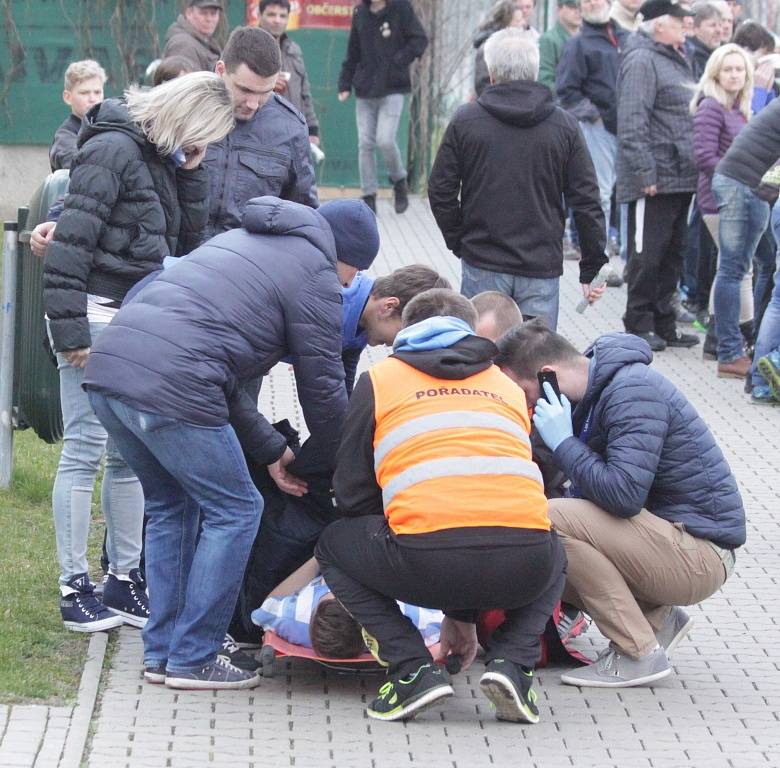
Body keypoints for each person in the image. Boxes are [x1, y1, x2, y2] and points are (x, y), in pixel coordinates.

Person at [82, 196, 379, 690]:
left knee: (173, 506)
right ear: (345, 256)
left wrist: (272, 452)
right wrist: (343, 463)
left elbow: (228, 384)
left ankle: (163, 653)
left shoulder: (241, 242)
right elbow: (323, 393)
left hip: (111, 370)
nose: (350, 284)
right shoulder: (316, 276)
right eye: (354, 272)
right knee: (236, 509)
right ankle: (196, 655)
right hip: (173, 384)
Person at [315, 288, 566, 722]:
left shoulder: (380, 380)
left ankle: (411, 670)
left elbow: (352, 494)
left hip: (422, 561)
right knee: (555, 547)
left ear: (408, 331)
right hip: (524, 563)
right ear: (469, 332)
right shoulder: (504, 384)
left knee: (334, 544)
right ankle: (513, 662)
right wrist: (461, 615)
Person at [42, 72, 234, 633]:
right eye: (201, 137)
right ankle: (73, 584)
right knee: (84, 448)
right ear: (184, 117)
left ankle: (123, 578)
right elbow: (71, 246)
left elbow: (183, 244)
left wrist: (192, 172)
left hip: (134, 324)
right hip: (96, 322)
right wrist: (71, 334)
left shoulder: (163, 160)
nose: (202, 148)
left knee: (128, 457)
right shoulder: (111, 150)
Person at [495, 321, 745, 687]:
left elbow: (623, 496)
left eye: (522, 389)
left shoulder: (632, 391)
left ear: (547, 375)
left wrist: (564, 443)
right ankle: (655, 618)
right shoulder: (591, 397)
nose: (523, 401)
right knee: (529, 534)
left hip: (701, 555)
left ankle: (637, 652)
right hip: (667, 542)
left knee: (547, 520)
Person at [428, 28, 607, 331]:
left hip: (483, 260)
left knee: (479, 355)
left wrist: (461, 241)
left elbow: (440, 190)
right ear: (535, 71)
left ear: (492, 72)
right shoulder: (564, 126)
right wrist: (591, 266)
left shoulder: (466, 121)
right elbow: (586, 199)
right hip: (540, 264)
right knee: (534, 358)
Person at [616, 0, 700, 351]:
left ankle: (665, 322)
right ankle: (638, 322)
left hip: (681, 175)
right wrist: (644, 171)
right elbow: (633, 120)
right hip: (654, 179)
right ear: (658, 25)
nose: (686, 25)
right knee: (647, 255)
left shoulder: (678, 57)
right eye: (679, 20)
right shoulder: (642, 59)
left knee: (672, 254)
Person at [204, 26, 319, 239]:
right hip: (181, 262)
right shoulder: (185, 109)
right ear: (220, 71)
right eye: (245, 90)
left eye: (265, 92)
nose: (253, 104)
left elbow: (304, 215)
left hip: (247, 265)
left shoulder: (290, 128)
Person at [691, 44, 758, 378]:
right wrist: (739, 176)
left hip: (737, 196)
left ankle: (719, 339)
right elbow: (703, 156)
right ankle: (733, 343)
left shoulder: (740, 108)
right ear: (716, 72)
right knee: (737, 271)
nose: (734, 74)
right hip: (720, 200)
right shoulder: (712, 107)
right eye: (728, 69)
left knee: (731, 270)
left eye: (740, 69)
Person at [557, 0, 628, 285]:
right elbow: (566, 90)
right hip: (598, 129)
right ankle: (598, 263)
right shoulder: (578, 44)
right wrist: (595, 116)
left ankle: (626, 260)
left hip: (630, 128)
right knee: (598, 195)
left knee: (625, 198)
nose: (594, 2)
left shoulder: (625, 38)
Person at [337, 0, 428, 215]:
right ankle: (369, 196)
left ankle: (399, 181)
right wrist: (345, 83)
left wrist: (398, 60)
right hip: (365, 88)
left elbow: (419, 40)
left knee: (385, 139)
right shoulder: (360, 12)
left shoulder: (401, 8)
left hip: (393, 87)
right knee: (365, 143)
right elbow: (353, 52)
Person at [252, 558, 443, 657]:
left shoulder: (294, 620)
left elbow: (268, 605)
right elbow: (444, 618)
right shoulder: (408, 622)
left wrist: (318, 556)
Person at [711, 94, 777, 381]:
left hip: (745, 183)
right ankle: (728, 353)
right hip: (744, 185)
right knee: (733, 270)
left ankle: (752, 349)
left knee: (767, 265)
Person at [341, 265, 451, 394]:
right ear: (389, 307)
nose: (396, 343)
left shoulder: (367, 317)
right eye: (403, 332)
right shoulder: (336, 309)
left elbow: (343, 372)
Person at [258, 0, 321, 145]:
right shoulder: (247, 46)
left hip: (295, 132)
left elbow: (305, 94)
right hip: (261, 134)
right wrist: (268, 84)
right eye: (271, 14)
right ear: (260, 15)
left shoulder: (294, 49)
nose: (277, 20)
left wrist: (312, 129)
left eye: (282, 16)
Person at [49, 59, 106, 171]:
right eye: (84, 93)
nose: (92, 99)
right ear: (67, 97)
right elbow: (79, 166)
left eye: (97, 92)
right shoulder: (65, 136)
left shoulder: (111, 126)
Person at [473, 0, 526, 97]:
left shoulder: (518, 47)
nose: (522, 23)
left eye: (522, 19)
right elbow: (483, 87)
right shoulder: (487, 49)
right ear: (506, 24)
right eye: (518, 21)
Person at [163, 0, 223, 72]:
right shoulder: (183, 45)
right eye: (203, 13)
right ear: (189, 13)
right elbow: (187, 82)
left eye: (213, 14)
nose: (209, 19)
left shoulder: (205, 41)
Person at [538, 0, 582, 94]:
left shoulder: (588, 38)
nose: (578, 11)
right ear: (559, 9)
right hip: (564, 102)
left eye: (580, 6)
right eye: (572, 7)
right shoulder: (549, 40)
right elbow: (545, 81)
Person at [686, 3, 723, 80]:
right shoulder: (690, 58)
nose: (719, 30)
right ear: (695, 28)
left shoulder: (719, 55)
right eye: (713, 25)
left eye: (720, 25)